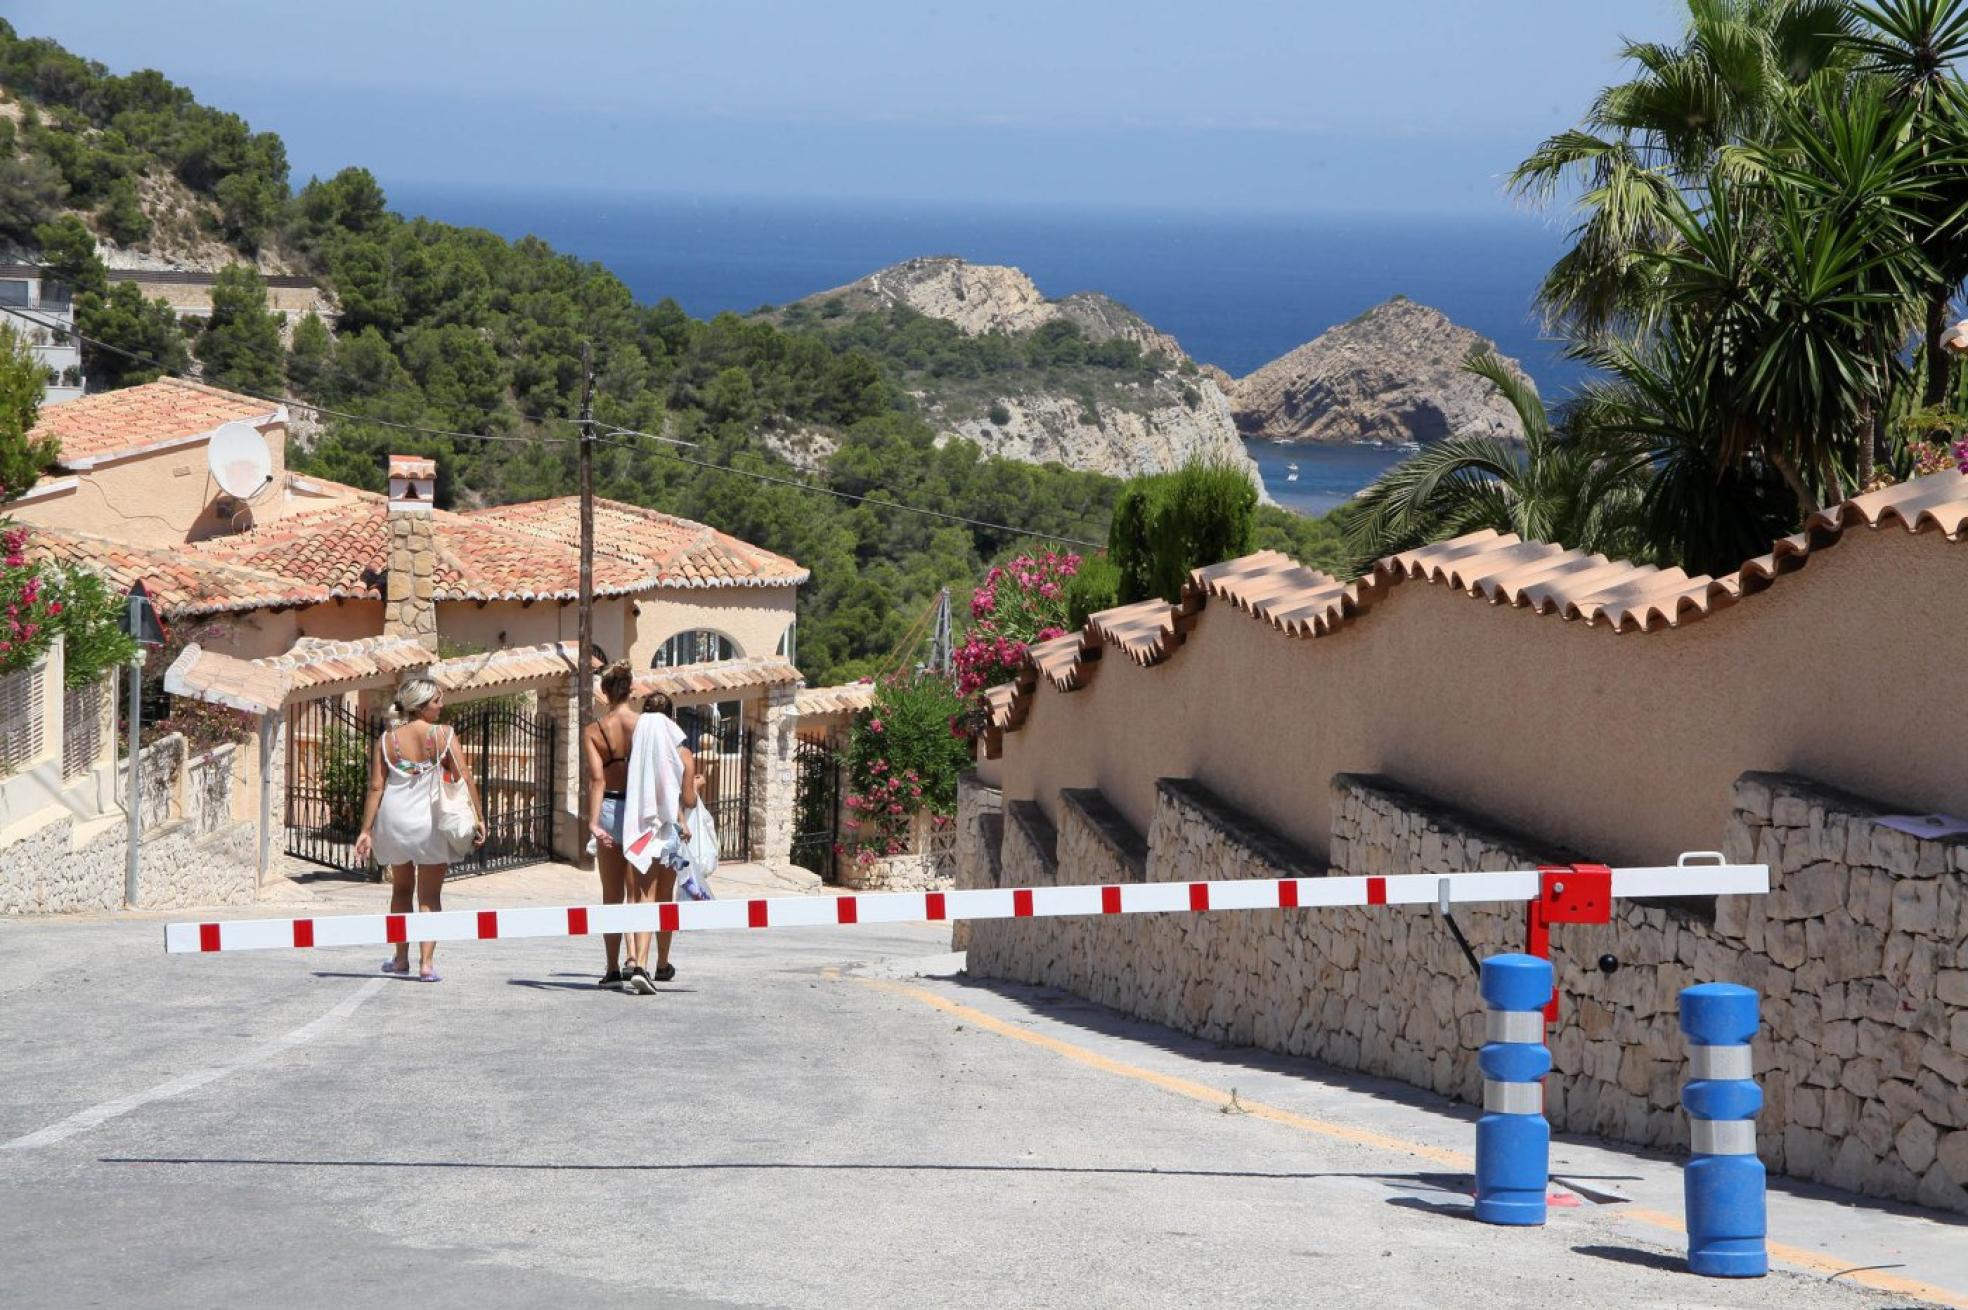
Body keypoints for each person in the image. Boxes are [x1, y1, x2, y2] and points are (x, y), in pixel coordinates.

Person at [352, 677, 485, 982]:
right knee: (430, 895)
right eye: (437, 700)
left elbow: (376, 786)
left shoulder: (387, 740)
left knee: (400, 891)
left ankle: (400, 958)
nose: (441, 705)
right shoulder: (443, 734)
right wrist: (478, 815)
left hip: (394, 820)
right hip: (430, 821)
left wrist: (366, 830)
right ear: (421, 705)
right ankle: (426, 964)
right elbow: (463, 775)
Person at [618, 690, 697, 993]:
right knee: (664, 897)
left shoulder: (638, 746)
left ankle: (635, 958)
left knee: (638, 895)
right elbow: (688, 797)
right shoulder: (681, 753)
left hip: (639, 827)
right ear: (671, 718)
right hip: (670, 833)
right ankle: (656, 964)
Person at [583, 660, 642, 989]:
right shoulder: (644, 725)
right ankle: (636, 958)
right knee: (637, 891)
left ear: (604, 692)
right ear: (631, 690)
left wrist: (594, 823)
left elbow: (596, 779)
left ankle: (611, 967)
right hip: (638, 810)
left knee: (611, 894)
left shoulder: (594, 731)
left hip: (609, 808)